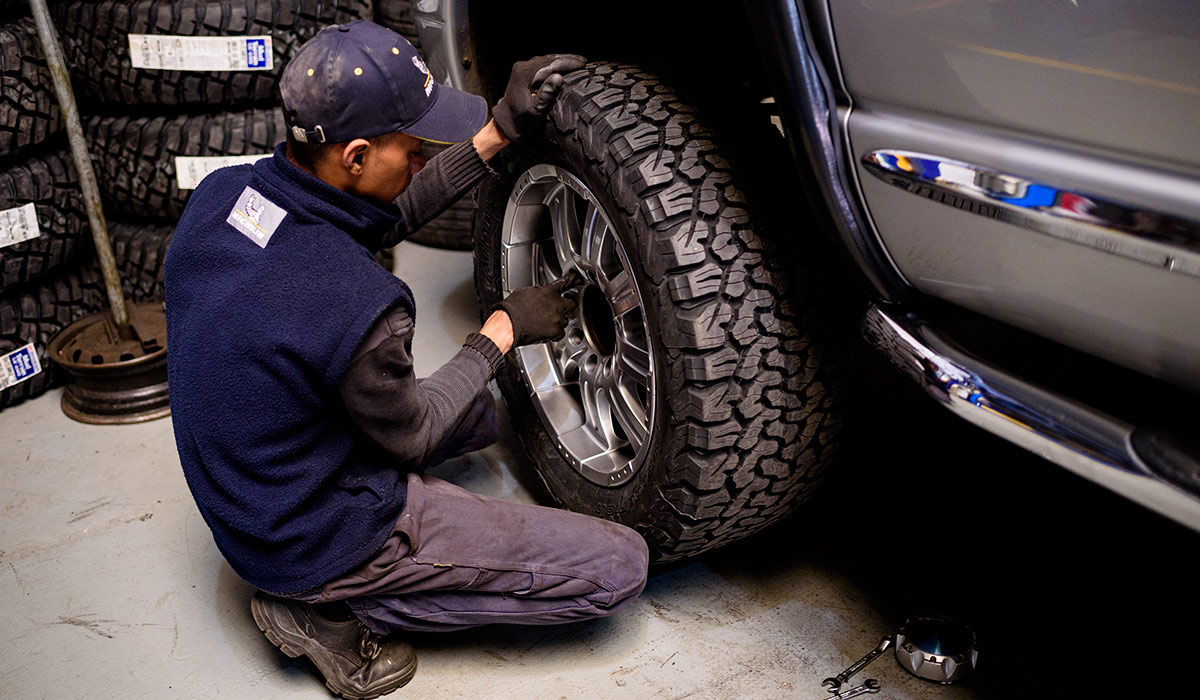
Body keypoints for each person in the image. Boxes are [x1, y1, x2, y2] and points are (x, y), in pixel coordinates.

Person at [164, 21, 649, 699]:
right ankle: (332, 608)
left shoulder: (226, 196)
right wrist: (504, 328)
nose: (423, 158)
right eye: (412, 147)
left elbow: (376, 216)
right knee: (620, 567)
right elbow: (415, 433)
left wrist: (498, 131)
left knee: (476, 415)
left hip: (252, 489)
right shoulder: (358, 303)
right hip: (312, 535)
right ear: (356, 156)